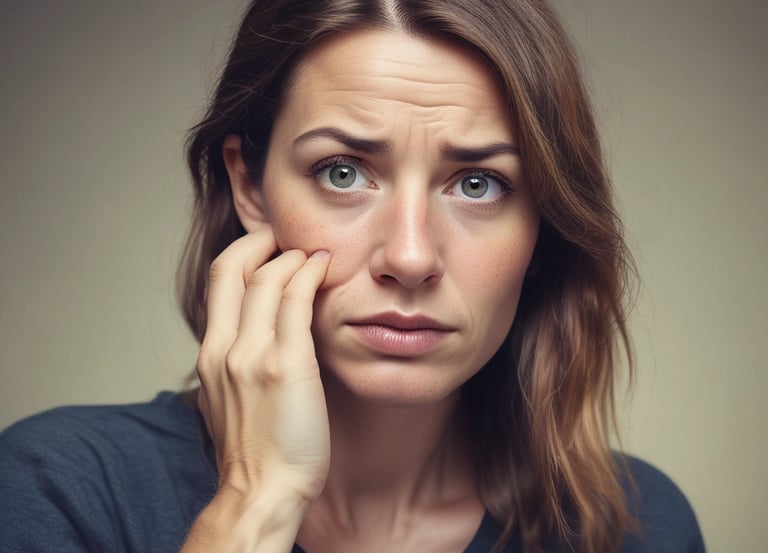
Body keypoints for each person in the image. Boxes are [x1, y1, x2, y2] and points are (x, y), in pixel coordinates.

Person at [0, 1, 706, 552]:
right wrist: (255, 503)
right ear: (249, 186)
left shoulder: (637, 527)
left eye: (478, 184)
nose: (410, 256)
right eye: (343, 172)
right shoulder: (60, 490)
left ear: (543, 223)